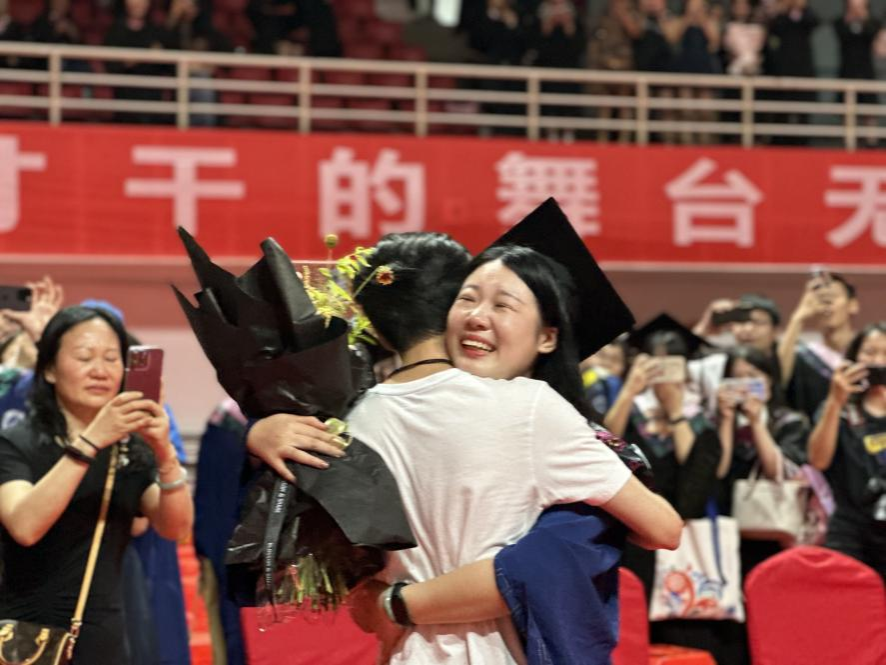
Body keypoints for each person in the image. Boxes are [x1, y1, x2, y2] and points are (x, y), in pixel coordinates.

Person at [248, 224, 682, 660]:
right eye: (468, 298)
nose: (478, 317)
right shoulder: (528, 409)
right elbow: (662, 528)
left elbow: (369, 595)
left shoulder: (357, 419)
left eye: (503, 305)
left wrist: (392, 603)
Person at [0, 306, 193, 663]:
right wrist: (91, 442)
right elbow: (25, 526)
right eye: (84, 357)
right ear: (50, 369)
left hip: (104, 639)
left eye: (111, 358)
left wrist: (164, 452)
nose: (100, 370)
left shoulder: (130, 449)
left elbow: (176, 527)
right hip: (23, 638)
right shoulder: (16, 441)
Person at [715, 345, 809, 575]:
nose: (744, 385)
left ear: (769, 380)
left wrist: (757, 423)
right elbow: (719, 470)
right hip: (727, 524)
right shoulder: (716, 422)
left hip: (774, 526)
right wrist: (726, 420)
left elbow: (778, 473)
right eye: (737, 378)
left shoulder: (790, 422)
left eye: (753, 376)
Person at [807, 322, 886, 581]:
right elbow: (818, 460)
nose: (878, 361)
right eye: (869, 352)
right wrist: (835, 400)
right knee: (847, 597)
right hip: (849, 526)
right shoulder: (838, 407)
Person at [779, 272, 859, 421]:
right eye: (821, 299)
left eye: (833, 297)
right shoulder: (804, 356)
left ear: (852, 305)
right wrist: (798, 318)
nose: (827, 303)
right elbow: (779, 379)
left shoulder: (867, 352)